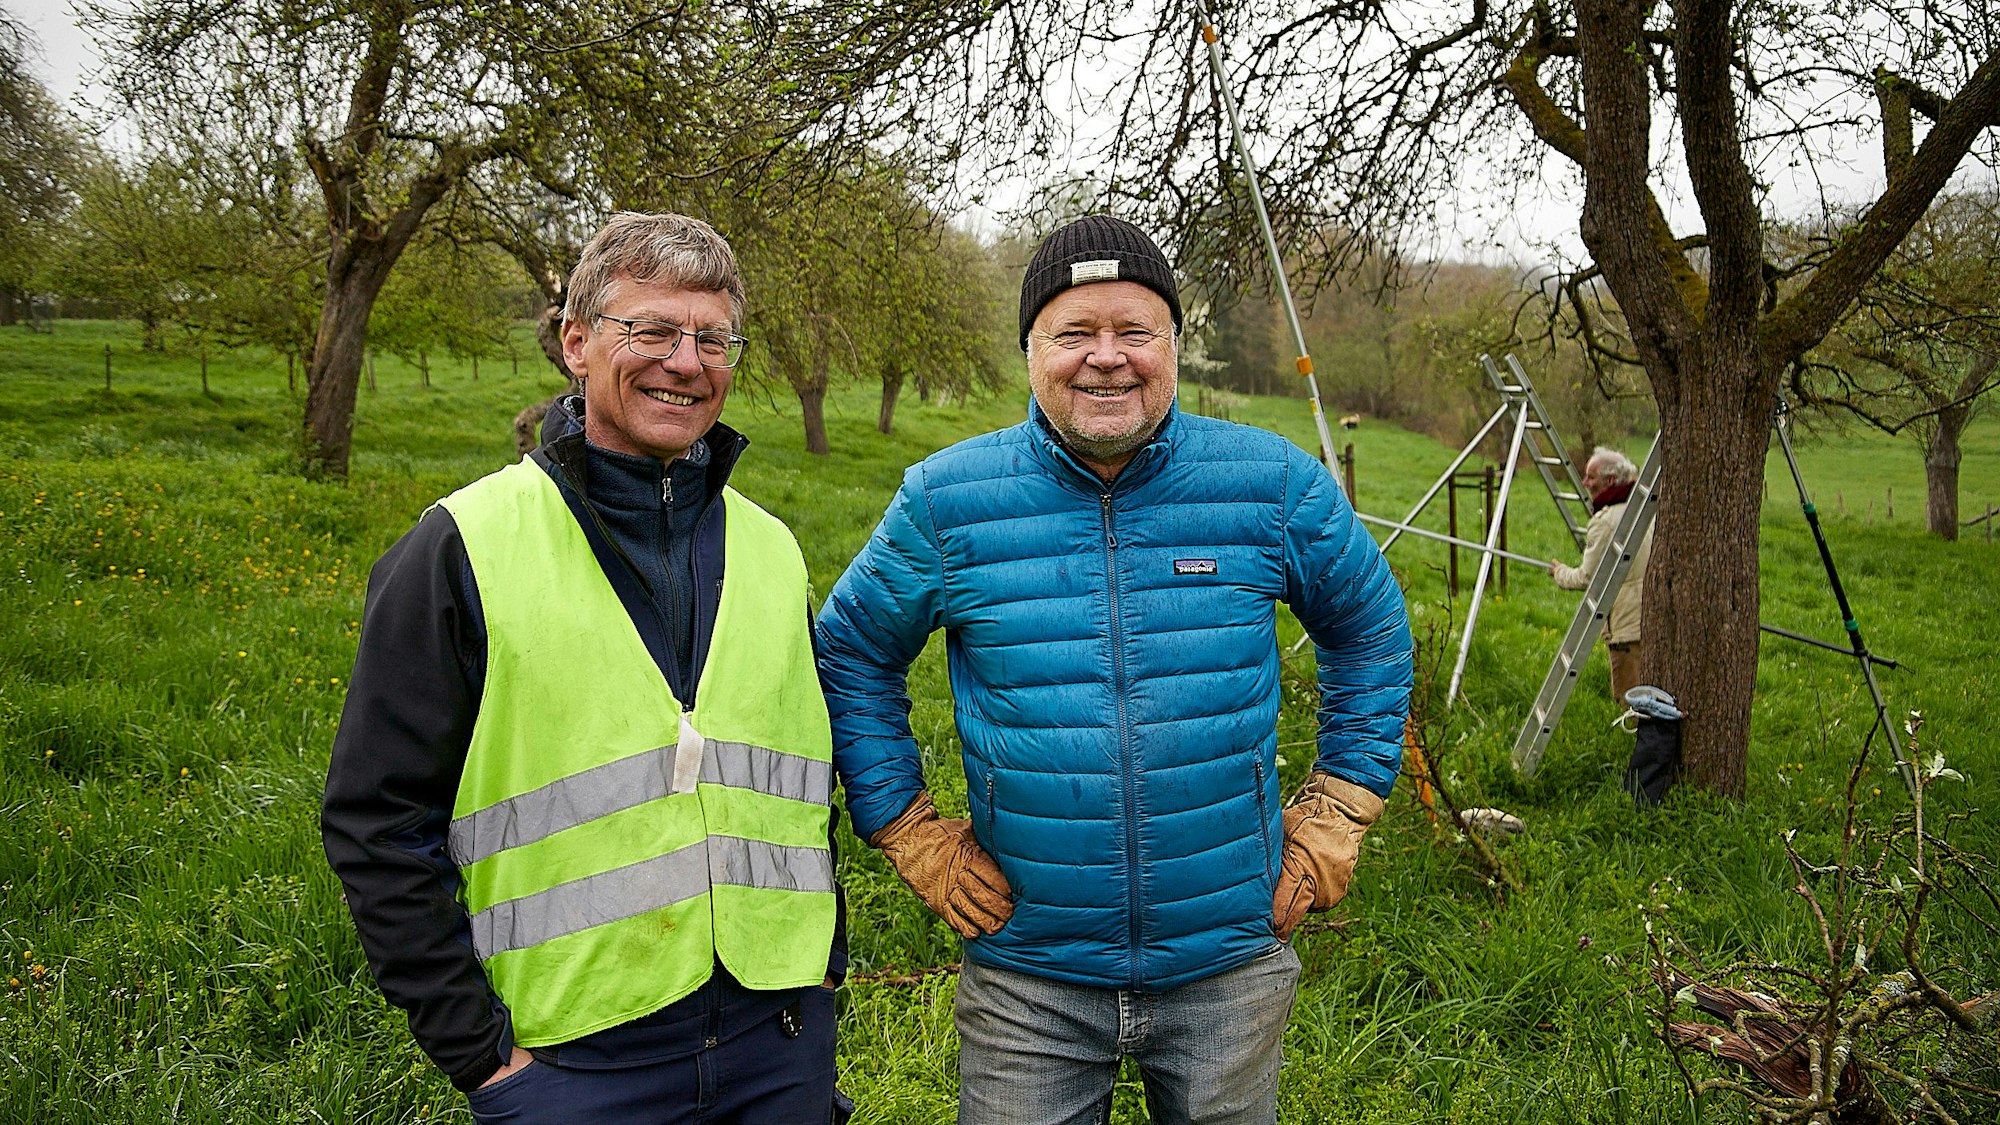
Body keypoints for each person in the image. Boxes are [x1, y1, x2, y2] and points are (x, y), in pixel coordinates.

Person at [815, 215, 1413, 1125]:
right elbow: (852, 649)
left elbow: (1370, 624)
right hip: (1029, 974)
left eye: (1135, 331)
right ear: (1030, 351)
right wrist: (908, 828)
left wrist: (1339, 807)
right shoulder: (946, 501)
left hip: (1229, 963)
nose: (1107, 358)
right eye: (1074, 333)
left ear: (1174, 343)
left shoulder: (1270, 483)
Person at [323, 211, 848, 1123]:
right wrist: (487, 1061)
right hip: (575, 1066)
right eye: (650, 330)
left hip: (778, 1045)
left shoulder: (773, 550)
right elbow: (376, 821)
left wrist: (823, 976)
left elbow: (802, 787)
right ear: (576, 342)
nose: (685, 362)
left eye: (712, 338)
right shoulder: (461, 547)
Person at [1548, 445, 1653, 703]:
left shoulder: (1605, 521)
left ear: (1610, 481)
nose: (1585, 482)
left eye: (1591, 476)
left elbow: (1586, 577)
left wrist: (1559, 572)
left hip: (1628, 624)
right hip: (1657, 617)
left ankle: (1640, 744)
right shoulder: (1648, 507)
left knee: (1632, 699)